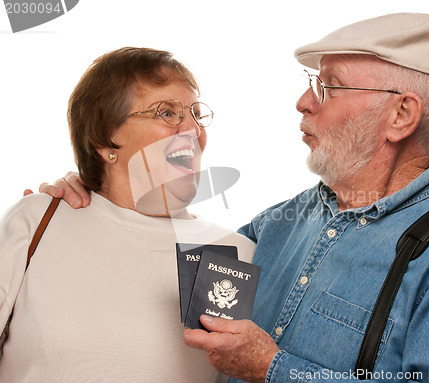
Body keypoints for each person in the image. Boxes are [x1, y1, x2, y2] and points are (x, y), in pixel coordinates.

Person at [36, 13, 429, 383]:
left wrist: (272, 369)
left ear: (401, 115)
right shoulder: (278, 224)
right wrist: (95, 195)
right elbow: (153, 262)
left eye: (329, 85)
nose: (303, 100)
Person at [0, 47, 254, 382]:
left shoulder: (238, 253)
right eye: (167, 112)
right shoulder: (37, 220)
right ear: (105, 142)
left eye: (195, 113)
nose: (193, 129)